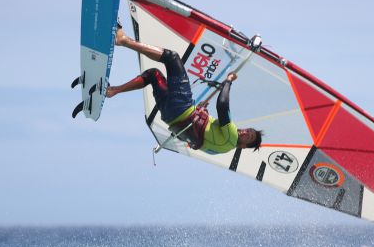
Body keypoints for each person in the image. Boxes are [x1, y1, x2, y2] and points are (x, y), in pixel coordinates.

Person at [106, 27, 263, 154]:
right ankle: (113, 91)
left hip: (181, 108)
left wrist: (228, 81)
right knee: (153, 75)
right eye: (248, 131)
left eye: (248, 137)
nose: (244, 133)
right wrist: (202, 114)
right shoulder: (219, 150)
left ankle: (123, 40)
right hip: (170, 117)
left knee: (172, 58)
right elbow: (199, 137)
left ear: (242, 146)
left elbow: (222, 105)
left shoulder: (232, 136)